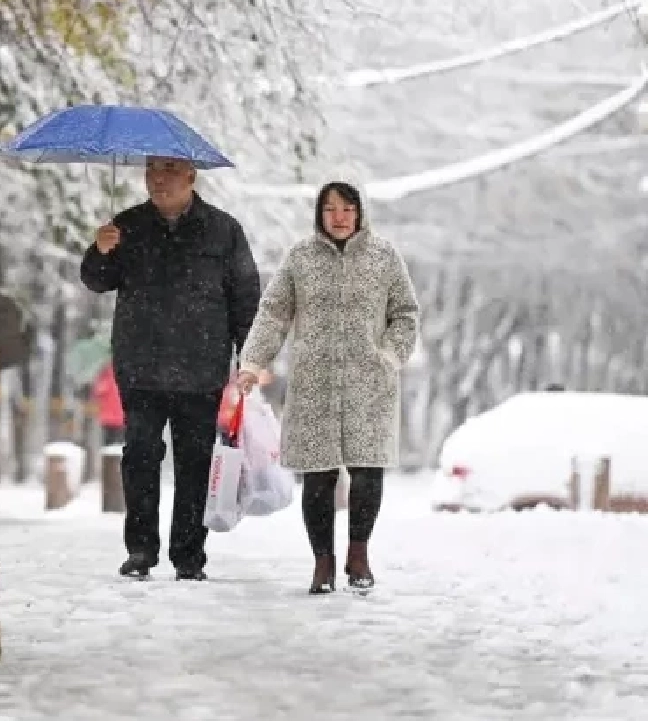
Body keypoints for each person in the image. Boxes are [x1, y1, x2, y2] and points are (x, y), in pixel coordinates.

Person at [80, 157, 261, 581]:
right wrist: (99, 251)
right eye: (150, 172)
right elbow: (96, 280)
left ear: (191, 176)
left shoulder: (223, 230)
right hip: (140, 365)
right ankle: (140, 551)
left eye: (167, 171)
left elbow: (245, 297)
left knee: (195, 463)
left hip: (202, 366)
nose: (157, 179)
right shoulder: (126, 226)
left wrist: (248, 359)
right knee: (139, 457)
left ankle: (188, 557)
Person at [238, 180, 419, 593]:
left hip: (368, 385)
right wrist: (253, 362)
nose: (339, 218)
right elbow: (274, 312)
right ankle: (323, 561)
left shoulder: (384, 257)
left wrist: (389, 356)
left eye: (347, 209)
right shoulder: (300, 258)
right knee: (318, 478)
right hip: (314, 385)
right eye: (330, 209)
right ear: (320, 214)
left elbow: (406, 314)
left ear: (360, 213)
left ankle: (358, 554)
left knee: (367, 472)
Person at [91, 362, 125, 446]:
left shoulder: (105, 378)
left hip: (109, 419)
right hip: (119, 418)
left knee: (109, 445)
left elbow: (97, 392)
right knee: (119, 445)